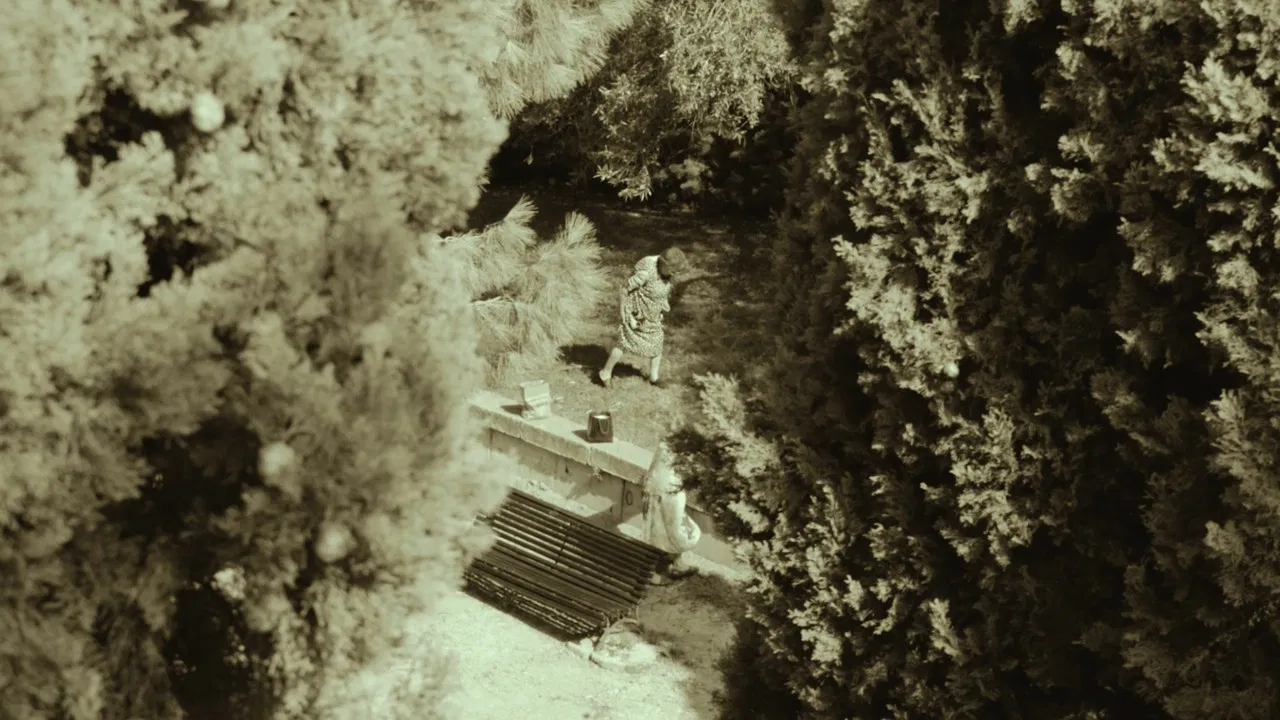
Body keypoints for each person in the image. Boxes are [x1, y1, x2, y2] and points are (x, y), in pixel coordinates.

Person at [598, 247, 688, 388]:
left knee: (657, 344)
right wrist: (624, 312)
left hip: (653, 315)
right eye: (673, 271)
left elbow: (662, 287)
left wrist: (661, 307)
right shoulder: (645, 272)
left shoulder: (664, 269)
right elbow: (624, 288)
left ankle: (654, 377)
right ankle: (605, 372)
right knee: (624, 343)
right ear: (665, 265)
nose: (674, 275)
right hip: (637, 315)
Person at [640, 441, 701, 584]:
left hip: (657, 480)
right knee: (670, 530)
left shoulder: (669, 440)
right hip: (667, 486)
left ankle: (676, 563)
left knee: (662, 528)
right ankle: (655, 572)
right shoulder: (684, 442)